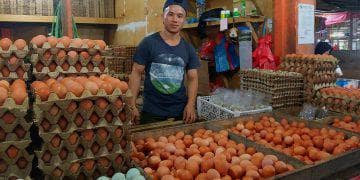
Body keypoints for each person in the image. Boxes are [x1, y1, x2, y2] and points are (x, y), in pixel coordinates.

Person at [129, 0, 200, 125]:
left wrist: (190, 105)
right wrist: (132, 104)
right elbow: (136, 73)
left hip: (180, 112)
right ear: (163, 17)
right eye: (170, 14)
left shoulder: (188, 48)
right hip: (152, 112)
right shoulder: (148, 43)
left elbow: (193, 78)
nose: (175, 19)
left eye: (179, 16)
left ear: (184, 20)